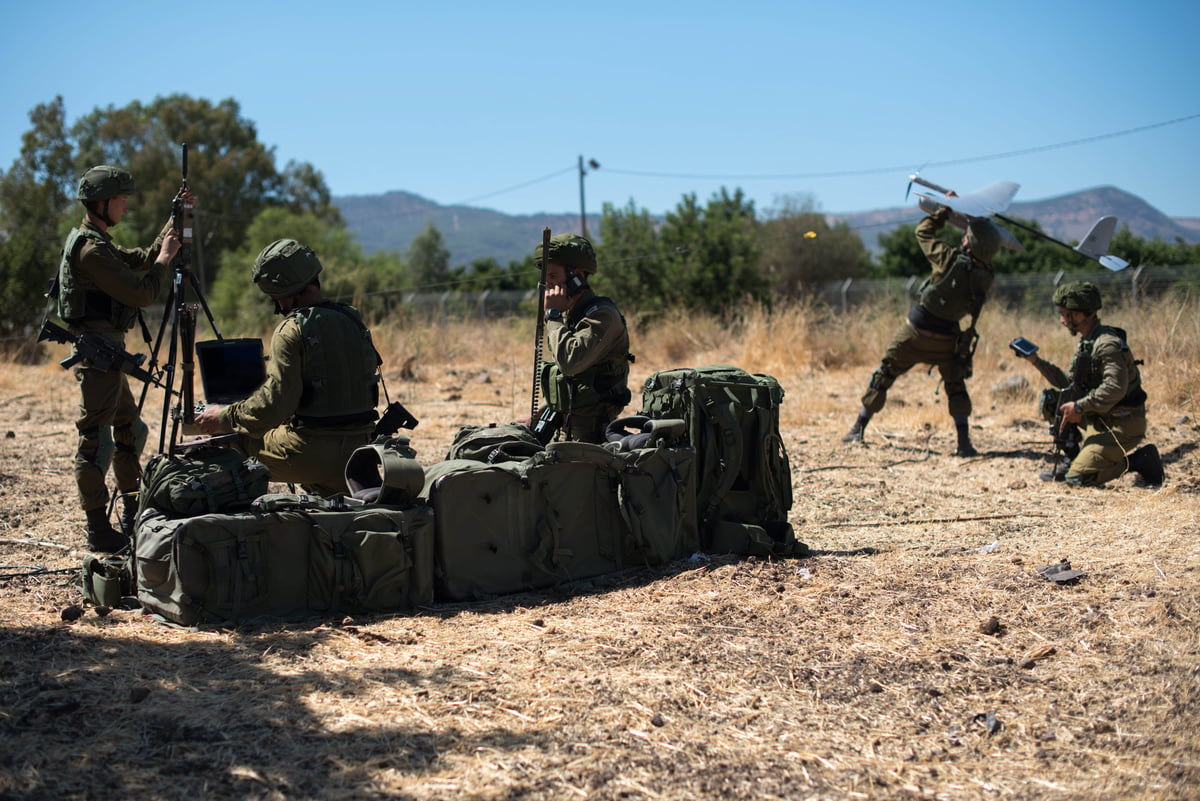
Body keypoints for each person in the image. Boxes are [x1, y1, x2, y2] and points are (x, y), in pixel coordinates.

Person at [58, 164, 185, 552]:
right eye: (122, 201)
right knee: (96, 441)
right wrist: (167, 259)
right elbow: (143, 291)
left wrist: (173, 220)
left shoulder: (100, 241)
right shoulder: (91, 249)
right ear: (101, 202)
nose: (126, 208)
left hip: (109, 354)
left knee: (131, 429)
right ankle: (98, 528)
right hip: (99, 357)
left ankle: (132, 512)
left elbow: (143, 258)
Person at [194, 239, 381, 496]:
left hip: (308, 454)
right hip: (362, 451)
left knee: (232, 439)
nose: (278, 307)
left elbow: (275, 405)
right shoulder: (352, 318)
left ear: (285, 290)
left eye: (276, 298)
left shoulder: (291, 329)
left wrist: (224, 417)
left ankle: (244, 523)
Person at [842, 205, 1001, 456]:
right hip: (948, 341)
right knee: (955, 385)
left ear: (969, 243)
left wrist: (942, 213)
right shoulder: (986, 278)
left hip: (914, 334)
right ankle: (964, 444)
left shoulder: (947, 257)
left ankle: (857, 430)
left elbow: (922, 233)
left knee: (884, 374)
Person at [1015, 281, 1163, 487]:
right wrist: (1036, 361)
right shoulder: (1088, 341)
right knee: (1051, 400)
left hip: (1122, 425)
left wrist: (1079, 407)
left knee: (1077, 479)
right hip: (1100, 417)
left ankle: (1141, 461)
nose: (1062, 320)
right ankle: (1073, 458)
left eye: (1066, 314)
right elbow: (1069, 384)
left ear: (1082, 314)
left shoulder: (1106, 344)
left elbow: (1115, 388)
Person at [536, 233, 633, 444]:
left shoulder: (602, 315)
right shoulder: (572, 313)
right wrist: (538, 418)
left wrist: (553, 315)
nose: (546, 285)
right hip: (566, 430)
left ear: (576, 276)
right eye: (544, 278)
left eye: (552, 276)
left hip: (592, 440)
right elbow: (570, 383)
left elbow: (570, 363)